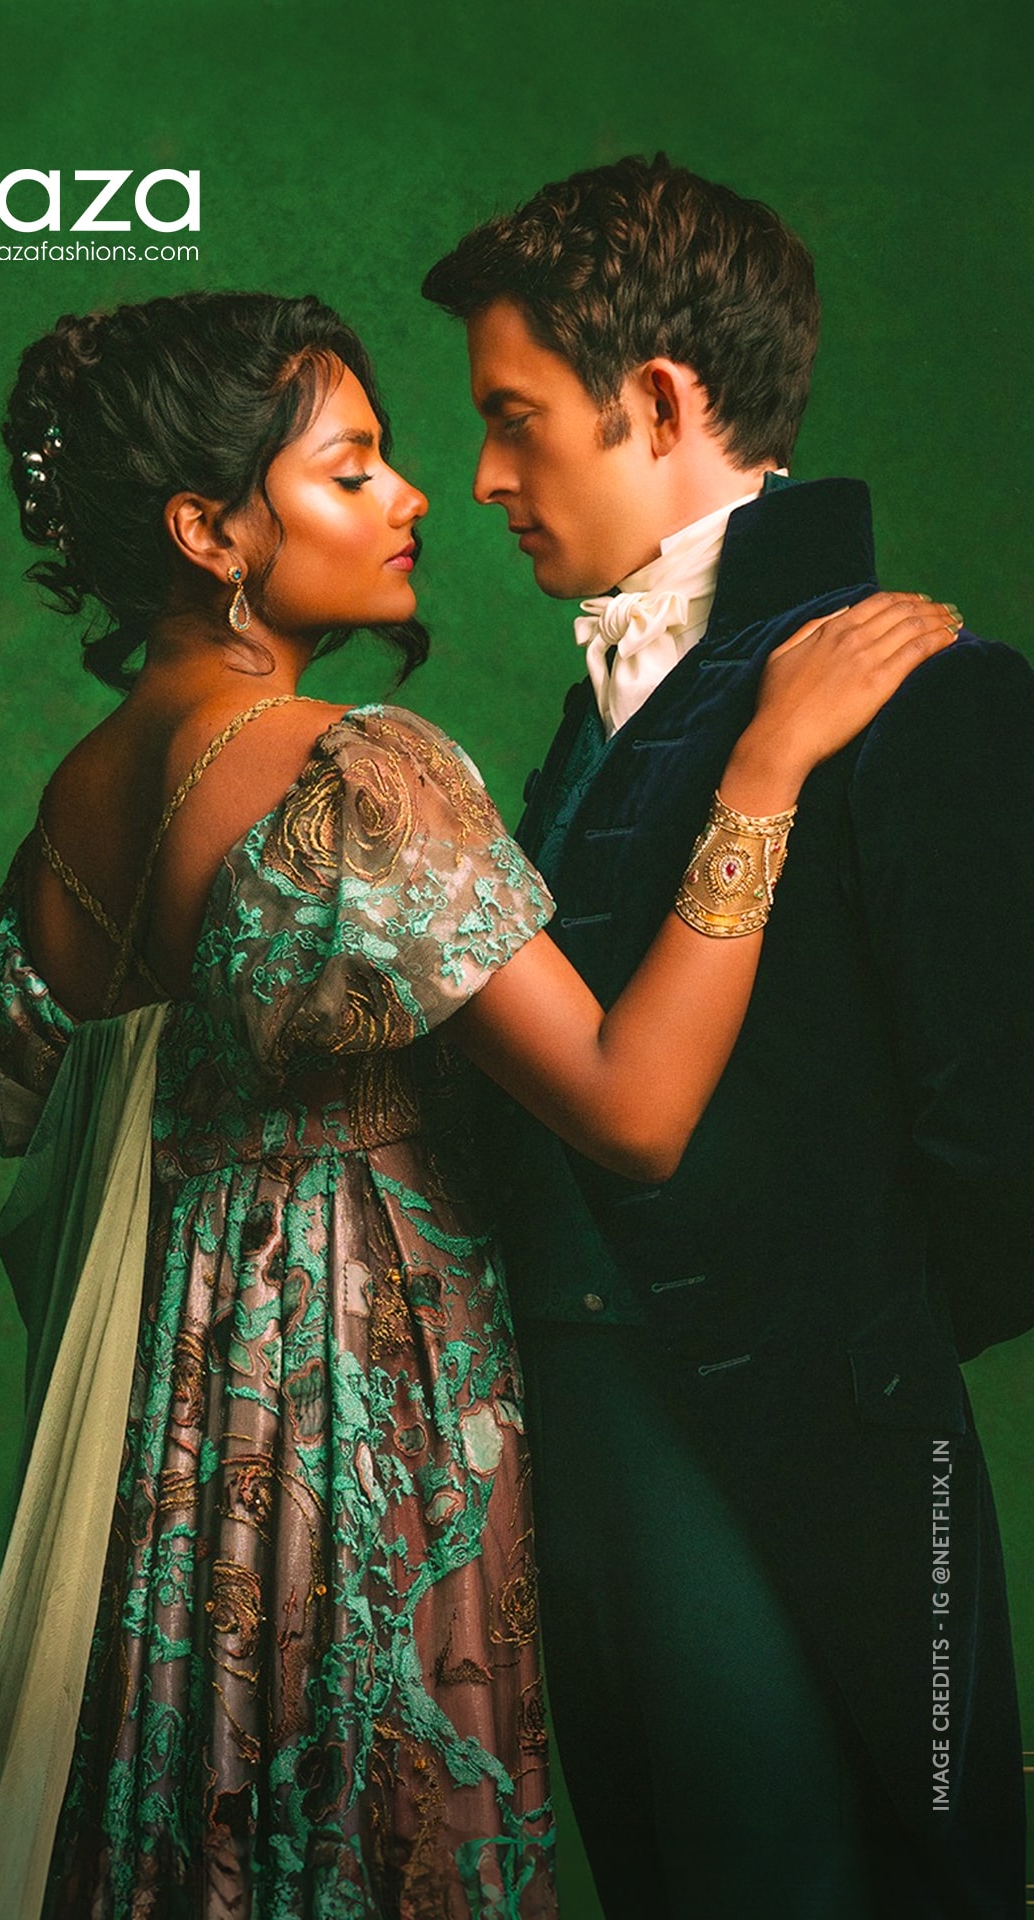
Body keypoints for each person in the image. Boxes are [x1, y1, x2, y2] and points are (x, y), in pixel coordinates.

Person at [0, 289, 953, 1920]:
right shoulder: (352, 771)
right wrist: (764, 771)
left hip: (166, 1464)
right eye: (353, 471)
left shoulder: (66, 814)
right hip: (352, 1436)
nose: (417, 494)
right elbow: (632, 1109)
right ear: (210, 531)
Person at [422, 156, 1034, 1919]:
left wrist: (830, 1344)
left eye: (516, 418)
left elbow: (1007, 1148)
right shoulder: (598, 703)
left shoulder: (930, 692)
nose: (484, 477)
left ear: (661, 400)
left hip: (790, 1433)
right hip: (571, 1430)